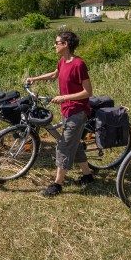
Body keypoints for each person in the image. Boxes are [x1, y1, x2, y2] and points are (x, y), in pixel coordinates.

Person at [26, 30, 94, 197]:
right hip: (67, 110)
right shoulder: (63, 61)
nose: (54, 45)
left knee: (63, 146)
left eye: (57, 42)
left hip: (78, 111)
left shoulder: (79, 64)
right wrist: (35, 78)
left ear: (65, 44)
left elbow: (88, 92)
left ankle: (57, 184)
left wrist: (64, 97)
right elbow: (54, 75)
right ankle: (87, 174)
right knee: (74, 144)